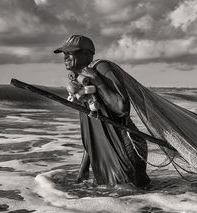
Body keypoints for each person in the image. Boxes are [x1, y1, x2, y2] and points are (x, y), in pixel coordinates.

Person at [54, 34, 150, 187]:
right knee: (118, 200)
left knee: (132, 199)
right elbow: (92, 131)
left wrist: (97, 81)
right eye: (64, 53)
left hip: (125, 146)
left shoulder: (102, 68)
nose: (66, 56)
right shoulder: (79, 82)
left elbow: (122, 108)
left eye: (71, 52)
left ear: (87, 53)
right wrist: (82, 172)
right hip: (104, 151)